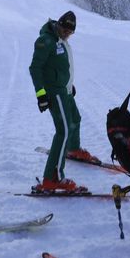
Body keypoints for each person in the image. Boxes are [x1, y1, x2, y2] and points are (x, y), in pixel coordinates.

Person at [29, 10, 95, 193]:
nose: (67, 34)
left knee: (75, 119)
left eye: (70, 32)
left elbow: (61, 67)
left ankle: (73, 149)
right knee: (63, 130)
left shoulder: (62, 41)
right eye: (65, 29)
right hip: (54, 92)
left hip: (64, 90)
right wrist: (41, 95)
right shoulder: (46, 41)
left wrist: (68, 84)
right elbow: (35, 68)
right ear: (58, 24)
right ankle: (52, 178)